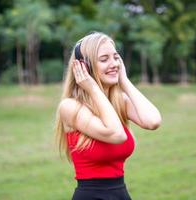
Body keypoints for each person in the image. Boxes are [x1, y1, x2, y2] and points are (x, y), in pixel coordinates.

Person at [55, 31, 162, 200]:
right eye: (104, 59)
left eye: (116, 57)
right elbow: (116, 134)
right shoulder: (70, 107)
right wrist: (92, 88)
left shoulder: (119, 102)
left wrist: (124, 81)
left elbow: (153, 121)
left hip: (121, 194)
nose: (113, 64)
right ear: (84, 67)